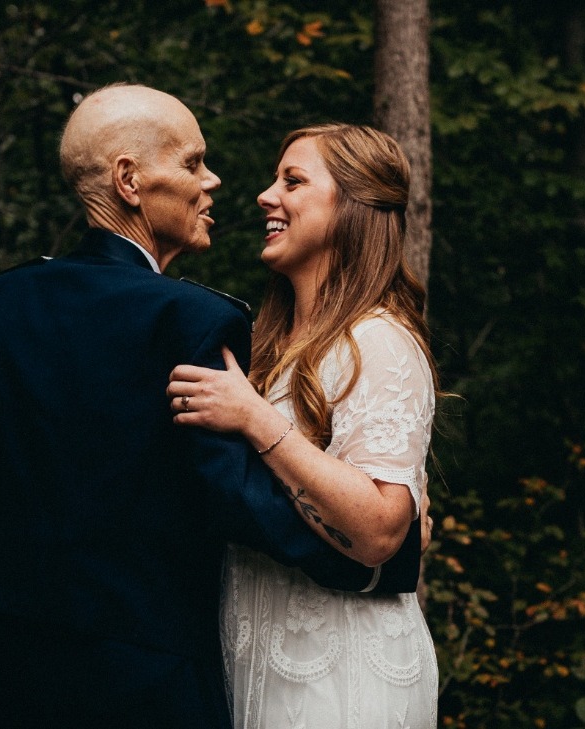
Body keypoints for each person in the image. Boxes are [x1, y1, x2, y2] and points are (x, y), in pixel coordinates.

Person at [0, 85, 418, 728]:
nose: (213, 181)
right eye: (193, 163)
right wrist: (385, 554)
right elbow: (237, 499)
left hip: (10, 667)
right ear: (129, 181)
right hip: (147, 675)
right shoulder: (191, 318)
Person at [167, 123, 440, 728]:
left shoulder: (379, 341)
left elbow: (379, 531)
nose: (265, 196)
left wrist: (254, 417)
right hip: (255, 655)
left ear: (353, 206)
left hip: (342, 669)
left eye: (292, 181)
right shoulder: (267, 348)